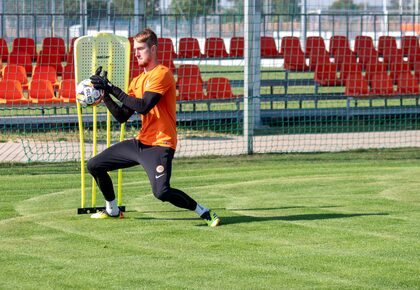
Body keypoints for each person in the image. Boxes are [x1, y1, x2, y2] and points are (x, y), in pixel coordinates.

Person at [87, 28, 221, 227]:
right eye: (135, 49)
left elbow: (144, 106)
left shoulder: (163, 74)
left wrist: (112, 88)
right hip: (141, 142)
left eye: (141, 48)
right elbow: (122, 116)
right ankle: (112, 210)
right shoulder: (137, 80)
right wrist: (104, 95)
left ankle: (204, 212)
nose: (137, 53)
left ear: (153, 49)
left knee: (161, 192)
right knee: (94, 165)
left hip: (160, 144)